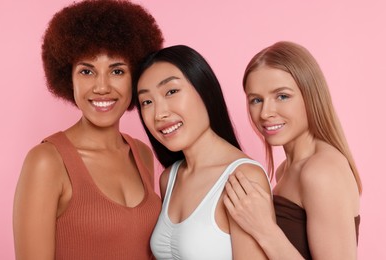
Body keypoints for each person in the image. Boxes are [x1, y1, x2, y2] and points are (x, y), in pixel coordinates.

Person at [13, 1, 163, 259]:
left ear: (135, 77)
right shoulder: (47, 162)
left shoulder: (142, 154)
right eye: (87, 71)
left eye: (116, 70)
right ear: (68, 78)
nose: (102, 87)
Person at [223, 41, 362, 259]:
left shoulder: (321, 171)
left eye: (282, 96)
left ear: (311, 95)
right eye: (256, 100)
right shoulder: (284, 170)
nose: (265, 112)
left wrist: (264, 229)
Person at [132, 44, 272, 259]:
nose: (159, 113)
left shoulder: (243, 178)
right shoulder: (169, 178)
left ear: (205, 90)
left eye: (171, 92)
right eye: (147, 102)